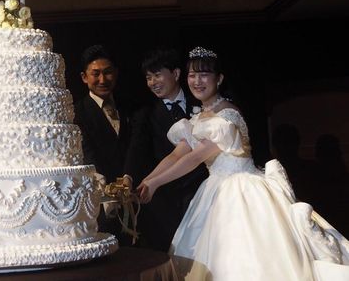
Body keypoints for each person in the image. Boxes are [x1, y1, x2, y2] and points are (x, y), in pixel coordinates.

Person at [137, 47, 349, 281]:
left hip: (241, 189)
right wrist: (147, 180)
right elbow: (176, 156)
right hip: (214, 190)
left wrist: (156, 183)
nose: (197, 81)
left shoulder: (227, 114)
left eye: (204, 75)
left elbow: (195, 158)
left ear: (219, 79)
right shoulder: (197, 118)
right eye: (192, 75)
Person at [123, 47, 207, 251]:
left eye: (157, 75)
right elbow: (137, 149)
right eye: (148, 78)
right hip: (167, 196)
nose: (153, 82)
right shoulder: (145, 114)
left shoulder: (202, 102)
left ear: (176, 74)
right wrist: (128, 176)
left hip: (203, 190)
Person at [73, 44, 130, 240]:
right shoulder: (76, 113)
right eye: (95, 74)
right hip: (102, 202)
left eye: (107, 72)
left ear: (116, 73)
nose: (102, 80)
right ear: (84, 77)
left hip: (136, 195)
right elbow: (87, 154)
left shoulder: (130, 106)